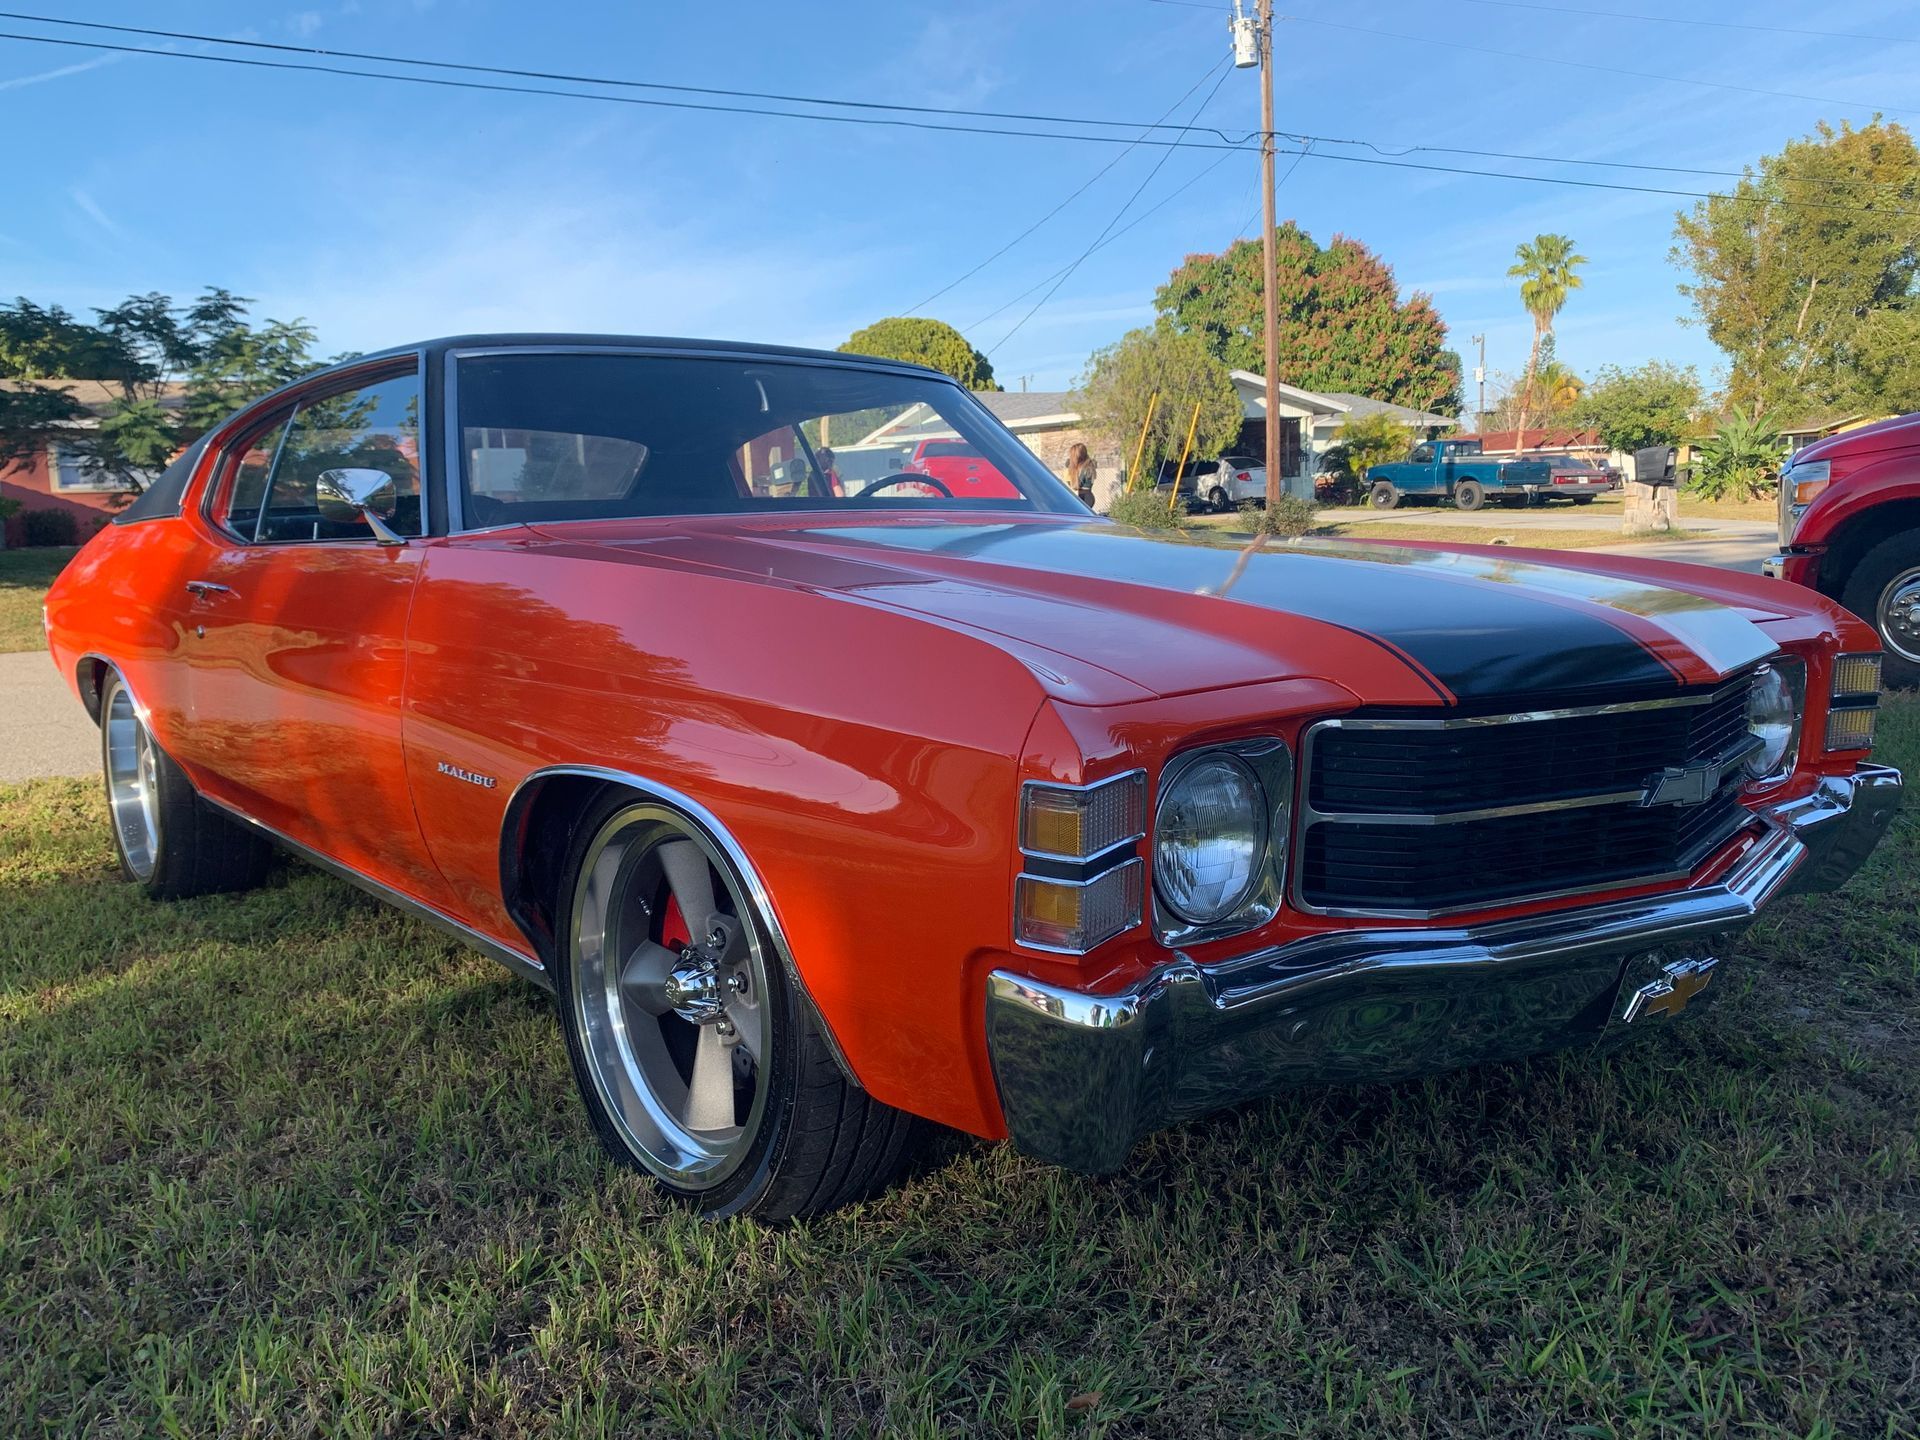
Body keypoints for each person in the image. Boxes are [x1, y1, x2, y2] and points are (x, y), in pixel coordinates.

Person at [1064, 442, 1097, 508]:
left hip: (1086, 497)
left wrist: (1069, 471)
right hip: (1083, 496)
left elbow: (1076, 485)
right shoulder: (1082, 467)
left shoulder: (1086, 468)